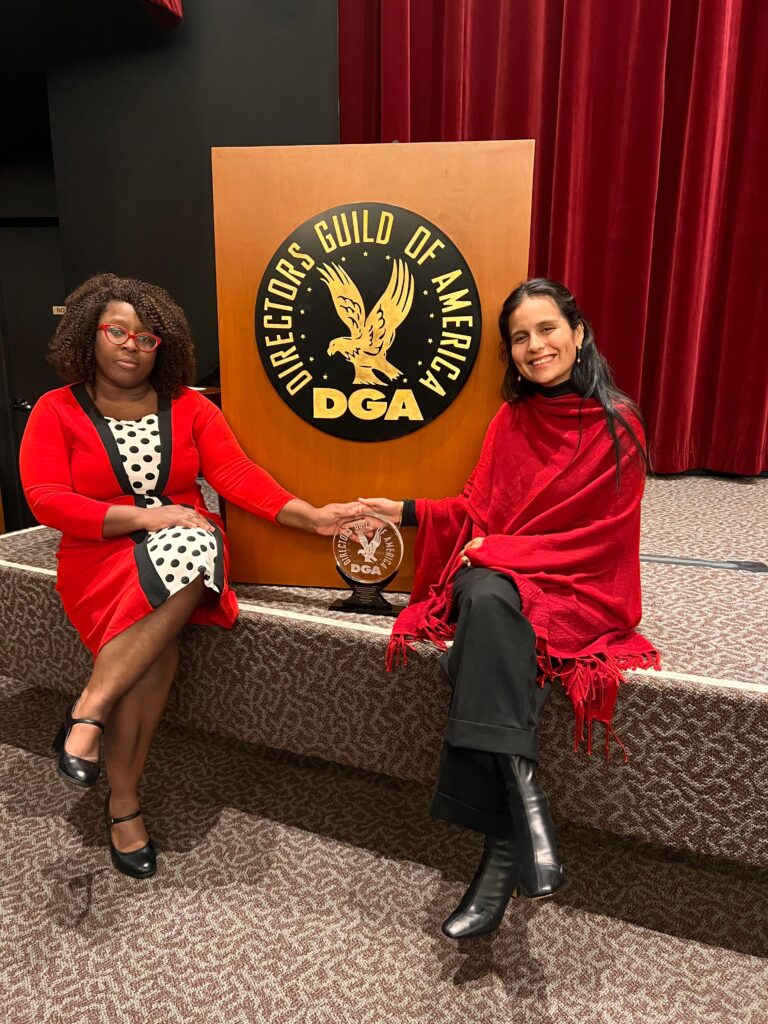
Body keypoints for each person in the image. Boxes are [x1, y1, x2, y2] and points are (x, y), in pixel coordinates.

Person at [19, 273, 362, 880]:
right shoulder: (55, 409)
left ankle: (91, 716)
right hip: (97, 555)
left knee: (193, 537)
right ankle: (120, 796)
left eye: (146, 338)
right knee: (158, 659)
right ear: (89, 335)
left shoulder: (192, 405)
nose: (130, 345)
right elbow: (46, 499)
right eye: (117, 332)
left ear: (164, 345)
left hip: (185, 548)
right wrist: (141, 516)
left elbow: (236, 476)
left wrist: (313, 518)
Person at [359, 278, 659, 940]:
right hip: (499, 574)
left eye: (547, 329)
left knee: (490, 619)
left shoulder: (620, 424)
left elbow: (603, 537)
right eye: (520, 338)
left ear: (578, 335)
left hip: (580, 586)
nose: (535, 346)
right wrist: (405, 512)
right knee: (490, 599)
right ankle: (529, 807)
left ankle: (501, 852)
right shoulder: (512, 420)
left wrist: (502, 550)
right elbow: (477, 514)